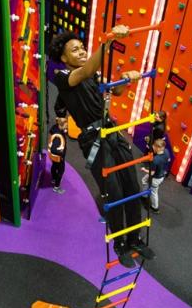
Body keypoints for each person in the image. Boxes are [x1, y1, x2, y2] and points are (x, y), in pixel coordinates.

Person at [49, 25, 155, 268]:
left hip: (113, 133)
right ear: (64, 58)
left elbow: (114, 89)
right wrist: (106, 43)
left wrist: (127, 79)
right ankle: (120, 243)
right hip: (93, 139)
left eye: (83, 48)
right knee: (114, 193)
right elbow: (86, 71)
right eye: (75, 50)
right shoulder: (63, 77)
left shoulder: (93, 75)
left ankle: (135, 238)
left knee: (132, 186)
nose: (82, 52)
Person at [140, 138, 171, 213]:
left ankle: (155, 208)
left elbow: (152, 173)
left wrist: (144, 169)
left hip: (156, 178)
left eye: (153, 146)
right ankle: (144, 195)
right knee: (144, 180)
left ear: (158, 148)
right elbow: (169, 160)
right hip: (161, 175)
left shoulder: (156, 160)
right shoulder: (166, 151)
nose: (152, 147)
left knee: (154, 192)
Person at [48, 117, 68, 193]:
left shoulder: (55, 127)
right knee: (61, 170)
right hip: (59, 157)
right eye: (66, 125)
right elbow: (54, 149)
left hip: (52, 156)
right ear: (61, 125)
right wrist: (61, 153)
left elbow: (51, 131)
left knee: (54, 166)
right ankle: (57, 187)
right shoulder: (58, 137)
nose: (67, 127)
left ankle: (53, 178)